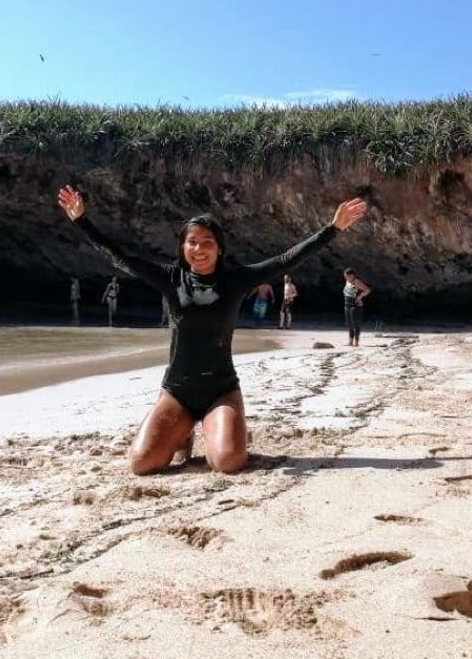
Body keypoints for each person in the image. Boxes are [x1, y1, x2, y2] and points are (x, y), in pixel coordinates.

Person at [59, 184, 367, 475]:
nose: (199, 249)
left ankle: (219, 424)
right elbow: (121, 258)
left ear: (220, 249)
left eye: (208, 243)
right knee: (142, 464)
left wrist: (333, 228)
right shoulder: (171, 278)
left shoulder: (236, 281)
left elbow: (286, 260)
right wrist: (81, 220)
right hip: (176, 392)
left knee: (228, 462)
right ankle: (184, 433)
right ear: (183, 247)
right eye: (192, 242)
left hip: (221, 390)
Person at [342, 268, 372, 347]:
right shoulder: (347, 281)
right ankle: (350, 341)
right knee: (349, 324)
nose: (346, 278)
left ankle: (356, 342)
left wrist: (360, 297)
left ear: (352, 275)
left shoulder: (356, 281)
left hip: (355, 305)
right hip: (347, 304)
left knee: (356, 324)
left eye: (347, 276)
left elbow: (367, 290)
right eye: (345, 276)